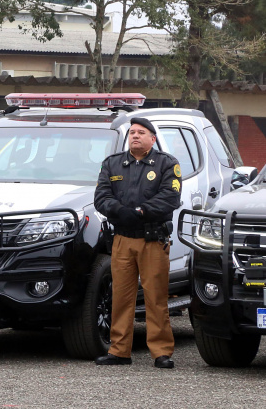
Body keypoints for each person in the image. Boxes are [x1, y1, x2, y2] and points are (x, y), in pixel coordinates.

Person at [93, 117, 181, 368]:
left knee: (155, 297)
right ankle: (119, 351)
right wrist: (120, 211)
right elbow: (101, 196)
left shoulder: (167, 164)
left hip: (152, 240)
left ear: (152, 139)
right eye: (132, 132)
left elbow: (170, 198)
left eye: (141, 132)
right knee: (120, 297)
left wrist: (141, 212)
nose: (135, 136)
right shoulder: (112, 164)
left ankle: (161, 352)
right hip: (122, 239)